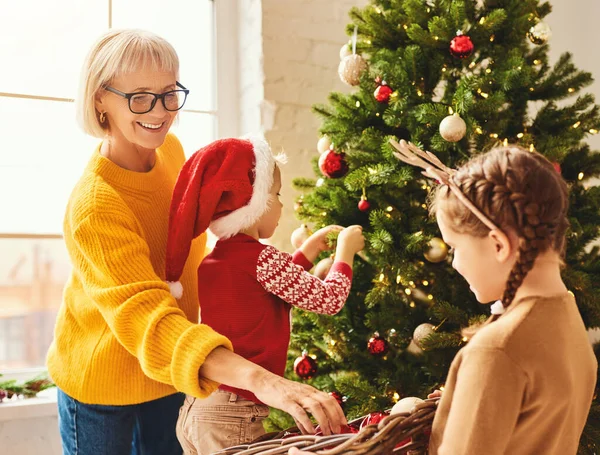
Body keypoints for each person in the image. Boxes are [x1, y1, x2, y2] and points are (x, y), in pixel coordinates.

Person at [46, 28, 345, 455]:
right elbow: (151, 321)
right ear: (99, 99)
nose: (160, 112)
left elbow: (207, 247)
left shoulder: (170, 151)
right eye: (140, 97)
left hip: (174, 372)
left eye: (169, 94)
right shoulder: (95, 205)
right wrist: (262, 380)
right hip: (103, 389)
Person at [290, 141, 597, 455]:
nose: (455, 263)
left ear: (498, 245)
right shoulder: (567, 316)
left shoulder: (497, 350)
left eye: (455, 248)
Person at [162, 137, 365, 454]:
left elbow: (269, 292)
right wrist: (345, 253)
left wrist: (308, 250)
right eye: (276, 194)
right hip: (234, 413)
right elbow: (329, 299)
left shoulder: (218, 260)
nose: (282, 204)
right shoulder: (260, 259)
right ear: (253, 205)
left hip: (201, 408)